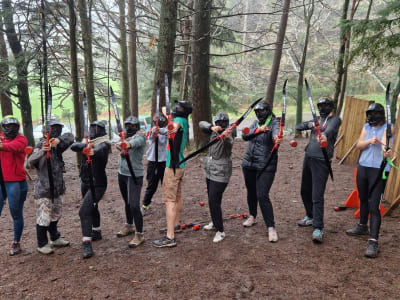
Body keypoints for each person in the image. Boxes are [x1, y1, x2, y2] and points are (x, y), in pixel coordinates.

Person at [345, 103, 394, 258]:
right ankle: (362, 226)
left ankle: (373, 241)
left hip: (378, 169)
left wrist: (385, 149)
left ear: (381, 114)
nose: (372, 116)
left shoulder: (389, 127)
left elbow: (385, 141)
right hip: (363, 167)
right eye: (370, 113)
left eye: (375, 113)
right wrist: (369, 141)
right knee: (363, 198)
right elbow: (359, 145)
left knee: (374, 205)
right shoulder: (366, 127)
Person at [296, 96, 341, 243]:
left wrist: (324, 135)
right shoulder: (316, 119)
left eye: (326, 105)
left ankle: (318, 228)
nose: (322, 108)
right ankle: (310, 216)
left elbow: (330, 129)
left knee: (317, 195)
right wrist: (311, 124)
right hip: (308, 157)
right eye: (320, 105)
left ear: (331, 106)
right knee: (305, 190)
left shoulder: (335, 119)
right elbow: (299, 126)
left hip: (322, 161)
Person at [28, 120, 74, 255]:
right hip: (44, 189)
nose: (54, 130)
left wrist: (57, 141)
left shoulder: (58, 145)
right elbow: (29, 163)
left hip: (58, 187)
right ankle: (42, 243)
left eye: (57, 128)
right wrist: (43, 151)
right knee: (44, 217)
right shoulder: (40, 145)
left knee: (56, 214)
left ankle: (54, 237)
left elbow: (71, 137)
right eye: (52, 128)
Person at [152, 101, 192, 248]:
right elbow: (166, 115)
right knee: (178, 196)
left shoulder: (179, 121)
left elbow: (174, 127)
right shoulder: (181, 119)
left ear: (184, 111)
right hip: (179, 165)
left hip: (173, 167)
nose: (176, 108)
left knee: (169, 200)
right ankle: (176, 224)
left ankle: (170, 237)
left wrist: (170, 124)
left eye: (179, 107)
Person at [241, 102, 282, 242]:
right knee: (251, 191)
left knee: (262, 195)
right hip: (249, 163)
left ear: (268, 111)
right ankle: (252, 216)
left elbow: (276, 133)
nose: (259, 113)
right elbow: (244, 135)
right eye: (257, 111)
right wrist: (257, 131)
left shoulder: (275, 122)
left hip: (266, 164)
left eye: (262, 110)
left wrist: (277, 138)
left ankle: (271, 227)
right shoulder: (255, 123)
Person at [71, 120, 111, 258]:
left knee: (84, 211)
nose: (94, 129)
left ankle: (86, 243)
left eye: (97, 127)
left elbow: (99, 151)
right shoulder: (86, 140)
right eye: (92, 127)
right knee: (92, 208)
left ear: (102, 129)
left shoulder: (104, 143)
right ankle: (96, 231)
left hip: (98, 183)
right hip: (85, 181)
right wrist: (85, 145)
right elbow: (74, 146)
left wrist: (91, 149)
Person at [200, 112, 234, 243]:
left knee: (214, 201)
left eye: (223, 123)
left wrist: (225, 136)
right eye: (218, 123)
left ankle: (220, 230)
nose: (221, 125)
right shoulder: (213, 132)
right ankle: (215, 222)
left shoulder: (230, 133)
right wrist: (211, 128)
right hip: (210, 171)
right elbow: (200, 123)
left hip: (221, 173)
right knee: (212, 200)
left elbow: (229, 143)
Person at [115, 116, 146, 248]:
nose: (129, 128)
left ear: (137, 126)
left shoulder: (140, 136)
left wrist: (127, 145)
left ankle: (139, 234)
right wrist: (121, 142)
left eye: (132, 126)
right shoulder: (124, 136)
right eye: (127, 125)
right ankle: (129, 225)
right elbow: (119, 144)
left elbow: (135, 142)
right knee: (127, 202)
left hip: (135, 175)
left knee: (134, 205)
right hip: (122, 173)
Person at [0, 116, 28, 256]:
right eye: (8, 126)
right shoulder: (1, 137)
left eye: (14, 127)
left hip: (15, 182)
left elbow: (14, 147)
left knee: (16, 213)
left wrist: (2, 146)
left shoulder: (21, 139)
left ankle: (16, 242)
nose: (11, 129)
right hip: (1, 182)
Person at [141, 114, 168, 216]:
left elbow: (169, 134)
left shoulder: (165, 131)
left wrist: (160, 130)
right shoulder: (151, 130)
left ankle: (169, 205)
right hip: (153, 162)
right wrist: (154, 131)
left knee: (166, 184)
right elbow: (151, 137)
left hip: (164, 162)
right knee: (151, 185)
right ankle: (145, 205)